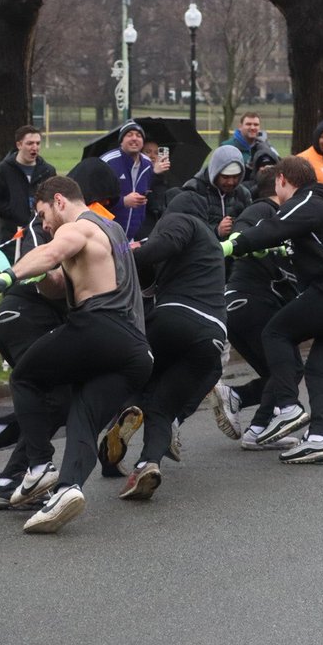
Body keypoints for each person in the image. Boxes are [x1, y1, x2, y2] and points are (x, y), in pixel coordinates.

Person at [0, 176, 153, 533]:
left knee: (24, 377)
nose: (43, 225)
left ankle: (40, 465)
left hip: (101, 325)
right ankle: (66, 490)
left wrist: (9, 275)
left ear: (59, 200)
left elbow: (52, 252)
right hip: (136, 351)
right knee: (83, 416)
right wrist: (35, 278)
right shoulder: (113, 231)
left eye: (43, 215)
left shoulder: (81, 225)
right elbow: (59, 283)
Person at [0, 158, 120, 510]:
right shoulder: (49, 226)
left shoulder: (88, 227)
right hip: (23, 316)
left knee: (58, 399)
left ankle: (2, 459)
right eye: (99, 204)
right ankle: (25, 469)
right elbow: (46, 260)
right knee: (51, 395)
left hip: (33, 318)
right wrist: (11, 276)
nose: (102, 212)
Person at [223, 156, 323, 464]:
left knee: (276, 331)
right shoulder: (321, 207)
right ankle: (320, 438)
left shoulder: (304, 199)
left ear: (282, 180)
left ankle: (288, 408)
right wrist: (273, 248)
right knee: (319, 369)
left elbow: (275, 226)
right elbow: (297, 242)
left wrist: (230, 245)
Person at [115, 190, 227, 499]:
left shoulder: (181, 220)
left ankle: (124, 411)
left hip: (176, 318)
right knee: (162, 408)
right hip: (213, 335)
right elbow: (153, 279)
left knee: (131, 373)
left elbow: (166, 244)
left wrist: (117, 255)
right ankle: (147, 465)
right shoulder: (211, 245)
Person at [206, 165, 301, 451]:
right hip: (248, 302)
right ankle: (241, 406)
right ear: (282, 185)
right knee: (291, 369)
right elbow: (241, 234)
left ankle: (256, 427)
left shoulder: (283, 217)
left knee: (281, 373)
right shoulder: (262, 210)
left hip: (245, 306)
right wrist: (242, 243)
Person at [0, 125, 56, 246]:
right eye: (30, 143)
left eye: (38, 143)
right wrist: (14, 212)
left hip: (40, 233)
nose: (35, 147)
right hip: (10, 235)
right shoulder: (3, 170)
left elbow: (54, 198)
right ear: (19, 145)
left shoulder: (48, 171)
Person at [101, 121, 170, 240]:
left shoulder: (147, 164)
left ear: (142, 142)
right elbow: (96, 199)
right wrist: (123, 201)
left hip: (132, 238)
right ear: (121, 141)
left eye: (138, 135)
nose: (134, 138)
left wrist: (157, 174)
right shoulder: (108, 161)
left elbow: (150, 194)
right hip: (106, 235)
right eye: (129, 135)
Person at [180, 145, 253, 239]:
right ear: (215, 172)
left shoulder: (243, 193)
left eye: (235, 176)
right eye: (225, 177)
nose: (231, 182)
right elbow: (186, 227)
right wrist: (216, 231)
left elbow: (250, 224)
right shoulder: (194, 189)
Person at [220, 111, 281, 196]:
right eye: (248, 124)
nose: (252, 127)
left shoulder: (266, 147)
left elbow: (280, 165)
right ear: (240, 126)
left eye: (256, 125)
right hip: (235, 194)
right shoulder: (227, 147)